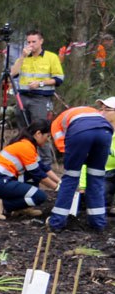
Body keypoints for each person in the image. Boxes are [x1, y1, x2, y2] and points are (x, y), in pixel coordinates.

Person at [47, 99, 114, 232]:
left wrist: (76, 158)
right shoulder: (95, 114)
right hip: (105, 134)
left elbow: (62, 146)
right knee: (96, 179)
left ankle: (57, 223)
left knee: (71, 177)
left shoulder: (56, 123)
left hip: (81, 134)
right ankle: (98, 224)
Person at [0, 120, 56, 221]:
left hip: (0, 180)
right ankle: (1, 205)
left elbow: (42, 167)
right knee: (39, 197)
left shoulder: (28, 145)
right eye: (47, 136)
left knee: (32, 179)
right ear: (38, 134)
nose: (48, 140)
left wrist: (60, 182)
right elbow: (38, 174)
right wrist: (56, 187)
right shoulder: (26, 147)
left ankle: (21, 207)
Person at [10, 30, 64, 128]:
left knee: (38, 128)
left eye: (33, 42)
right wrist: (22, 57)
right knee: (22, 129)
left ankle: (39, 144)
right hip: (23, 96)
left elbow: (59, 79)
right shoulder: (24, 57)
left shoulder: (51, 57)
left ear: (41, 41)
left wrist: (40, 83)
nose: (31, 45)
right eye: (29, 42)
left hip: (40, 98)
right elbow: (12, 74)